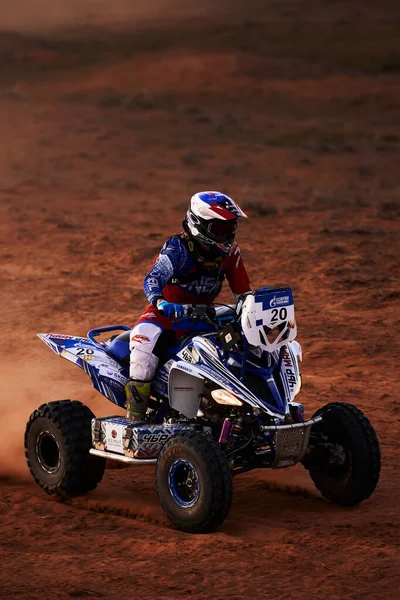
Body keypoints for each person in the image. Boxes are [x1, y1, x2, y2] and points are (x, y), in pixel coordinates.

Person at [125, 191, 251, 420]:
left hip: (205, 316)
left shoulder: (231, 254)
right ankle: (135, 417)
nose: (227, 235)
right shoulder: (178, 249)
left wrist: (249, 309)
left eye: (230, 228)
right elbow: (152, 279)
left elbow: (243, 292)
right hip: (166, 315)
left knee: (245, 345)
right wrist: (161, 302)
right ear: (198, 225)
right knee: (142, 341)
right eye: (219, 230)